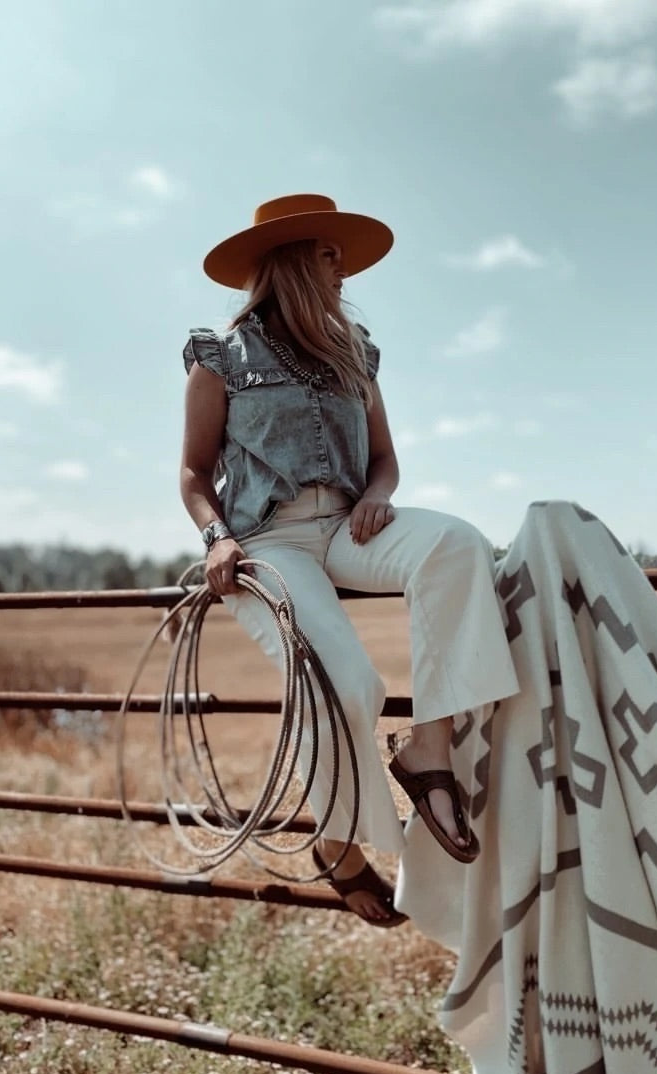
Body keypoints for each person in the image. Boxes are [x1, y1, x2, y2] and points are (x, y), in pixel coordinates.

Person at [179, 193, 520, 926]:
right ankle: (338, 845)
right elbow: (193, 473)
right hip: (266, 542)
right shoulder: (219, 355)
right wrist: (218, 539)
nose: (342, 274)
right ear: (295, 261)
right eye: (330, 257)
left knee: (457, 543)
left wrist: (379, 493)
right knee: (349, 684)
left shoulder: (353, 355)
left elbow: (387, 458)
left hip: (346, 526)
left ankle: (430, 747)